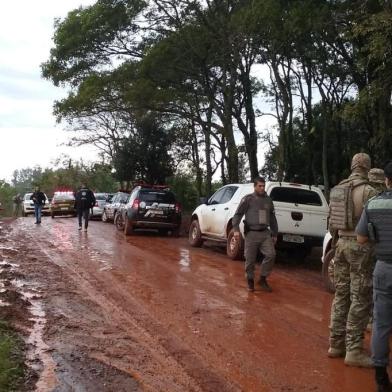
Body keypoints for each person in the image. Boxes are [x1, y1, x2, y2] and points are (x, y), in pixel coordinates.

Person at [327, 153, 378, 367]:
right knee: (360, 297)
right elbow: (375, 227)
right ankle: (354, 350)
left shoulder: (338, 189)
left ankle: (336, 344)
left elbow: (331, 225)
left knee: (341, 294)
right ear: (367, 167)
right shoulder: (369, 192)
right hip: (361, 248)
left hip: (340, 246)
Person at [356, 162, 392, 392]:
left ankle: (381, 378)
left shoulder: (373, 203)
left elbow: (361, 238)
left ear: (387, 180)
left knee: (381, 324)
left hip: (384, 268)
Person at [232, 176, 278, 292]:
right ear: (255, 186)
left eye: (263, 186)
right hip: (251, 234)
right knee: (250, 259)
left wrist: (275, 233)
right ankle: (250, 281)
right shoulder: (248, 199)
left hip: (265, 233)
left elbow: (272, 217)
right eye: (260, 186)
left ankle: (262, 279)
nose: (262, 188)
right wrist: (236, 229)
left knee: (271, 255)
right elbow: (238, 214)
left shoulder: (268, 200)